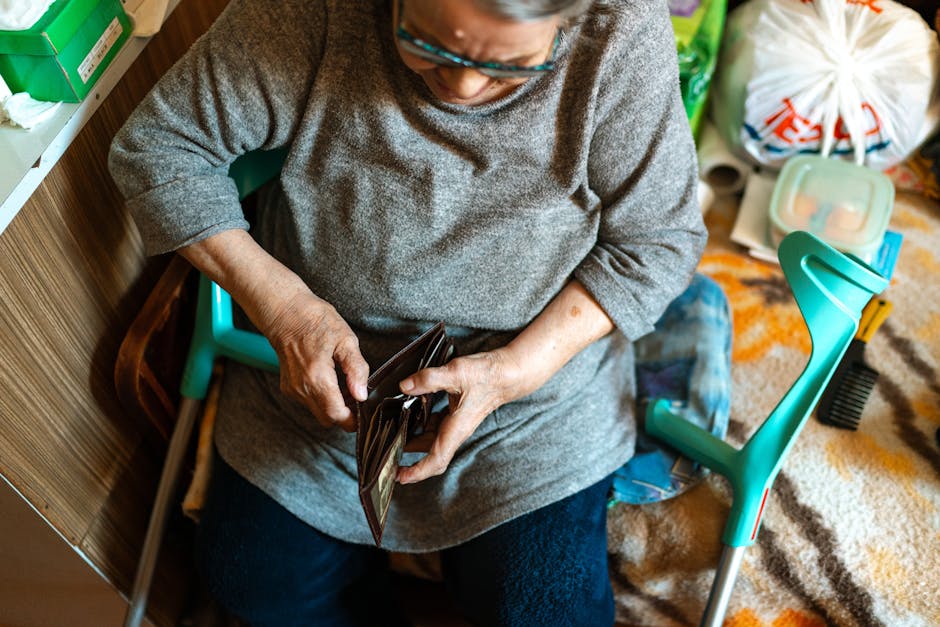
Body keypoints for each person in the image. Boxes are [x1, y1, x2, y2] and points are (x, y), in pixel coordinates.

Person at [109, 0, 707, 624]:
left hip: (531, 406)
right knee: (251, 579)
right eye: (426, 43)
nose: (463, 86)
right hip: (320, 385)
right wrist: (286, 311)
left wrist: (515, 372)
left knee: (543, 609)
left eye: (509, 67)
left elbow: (658, 240)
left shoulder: (620, 31)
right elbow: (159, 149)